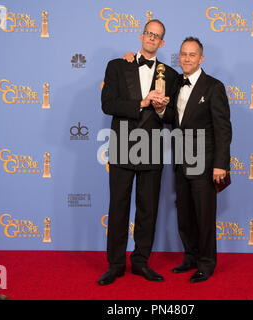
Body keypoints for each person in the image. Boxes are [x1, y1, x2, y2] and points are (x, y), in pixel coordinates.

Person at [99, 19, 179, 286]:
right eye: (148, 33)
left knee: (148, 210)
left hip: (153, 149)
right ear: (141, 35)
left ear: (162, 42)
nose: (152, 38)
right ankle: (115, 264)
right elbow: (108, 104)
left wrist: (159, 110)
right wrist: (142, 103)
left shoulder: (171, 74)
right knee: (118, 207)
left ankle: (141, 261)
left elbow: (173, 116)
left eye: (157, 36)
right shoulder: (118, 66)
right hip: (123, 145)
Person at [167, 37, 232, 283]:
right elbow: (172, 119)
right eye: (183, 54)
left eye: (192, 55)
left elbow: (223, 129)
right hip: (181, 160)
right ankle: (191, 257)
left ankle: (206, 263)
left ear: (201, 59)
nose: (187, 58)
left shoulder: (214, 87)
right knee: (185, 214)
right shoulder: (175, 85)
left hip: (205, 163)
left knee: (204, 215)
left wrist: (220, 164)